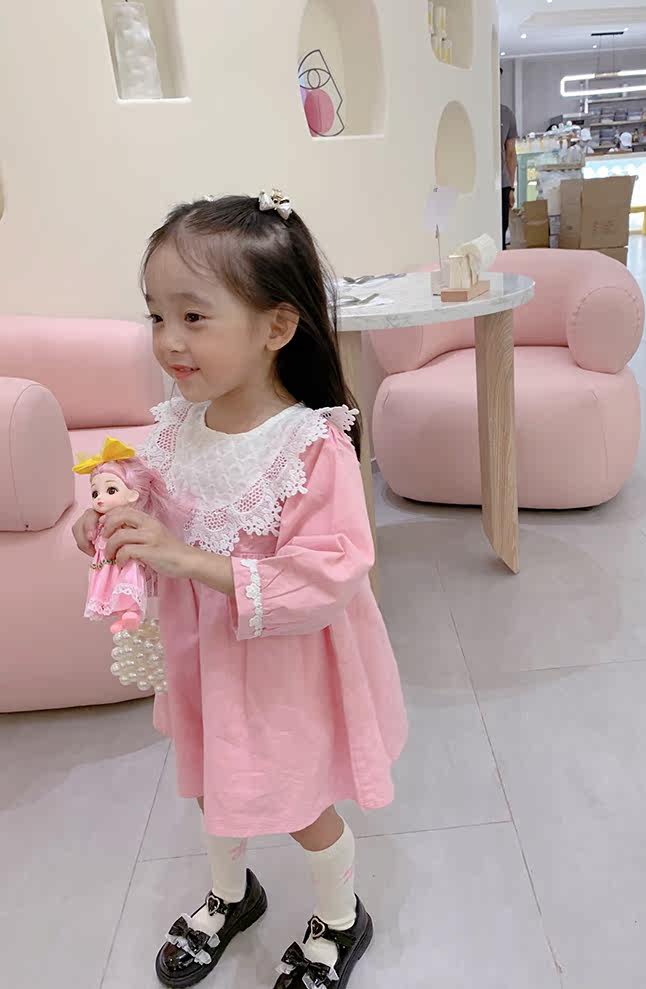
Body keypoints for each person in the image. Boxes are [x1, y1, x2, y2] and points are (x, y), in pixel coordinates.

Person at [72, 191, 408, 989]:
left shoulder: (311, 444)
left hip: (283, 673)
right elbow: (154, 500)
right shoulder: (178, 427)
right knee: (207, 777)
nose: (168, 340)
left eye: (194, 317)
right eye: (157, 315)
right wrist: (113, 517)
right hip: (204, 659)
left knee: (298, 801)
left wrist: (188, 559)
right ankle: (231, 893)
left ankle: (339, 916)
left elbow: (331, 571)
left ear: (276, 326)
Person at [500, 67, 518, 247]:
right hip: (498, 185)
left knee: (499, 233)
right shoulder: (505, 113)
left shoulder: (506, 114)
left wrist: (511, 187)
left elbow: (511, 154)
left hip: (502, 184)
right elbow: (510, 153)